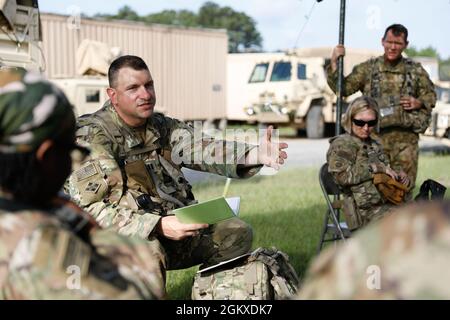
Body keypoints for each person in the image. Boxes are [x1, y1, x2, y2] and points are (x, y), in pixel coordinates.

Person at [65, 55, 288, 289]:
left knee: (235, 232)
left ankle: (210, 297)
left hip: (170, 226)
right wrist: (157, 226)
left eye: (149, 85)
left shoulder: (160, 126)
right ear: (113, 95)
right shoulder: (91, 137)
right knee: (147, 252)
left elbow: (203, 148)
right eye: (133, 88)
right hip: (116, 238)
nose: (146, 94)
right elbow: (87, 211)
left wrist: (255, 155)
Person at [0, 67, 164, 299]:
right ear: (47, 157)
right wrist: (92, 231)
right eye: (71, 150)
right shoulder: (43, 247)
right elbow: (138, 290)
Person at [328, 24, 436, 193]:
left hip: (405, 144)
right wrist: (334, 61)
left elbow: (431, 95)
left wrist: (419, 102)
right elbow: (342, 89)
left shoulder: (415, 71)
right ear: (382, 41)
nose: (393, 47)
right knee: (376, 191)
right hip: (374, 141)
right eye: (389, 42)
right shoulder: (369, 69)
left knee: (403, 191)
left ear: (406, 45)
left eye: (398, 43)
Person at [297, 200, 450, 299]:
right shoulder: (342, 149)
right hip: (363, 205)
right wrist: (376, 171)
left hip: (387, 202)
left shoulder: (374, 148)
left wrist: (395, 176)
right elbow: (344, 176)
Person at [327, 96, 409, 230]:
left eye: (371, 123)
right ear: (350, 119)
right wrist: (376, 168)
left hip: (388, 203)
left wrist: (400, 175)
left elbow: (388, 168)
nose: (366, 128)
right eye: (360, 123)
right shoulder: (342, 145)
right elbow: (341, 177)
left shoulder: (375, 143)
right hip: (363, 211)